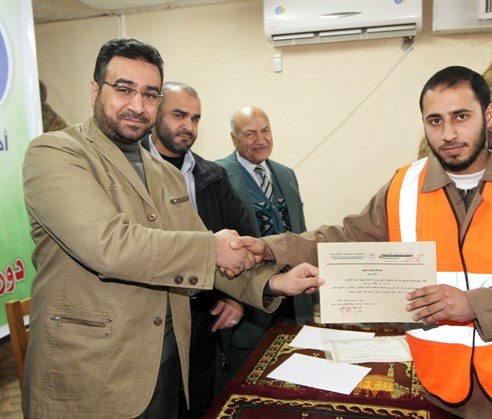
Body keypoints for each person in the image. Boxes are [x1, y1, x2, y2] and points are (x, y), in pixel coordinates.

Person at [237, 66, 492, 418]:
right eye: (435, 120)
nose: (448, 133)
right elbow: (347, 238)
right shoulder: (404, 186)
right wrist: (273, 247)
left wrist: (475, 304)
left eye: (461, 116)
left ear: (489, 114)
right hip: (445, 391)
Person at [21, 37, 322, 419]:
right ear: (95, 90)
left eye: (150, 94)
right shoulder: (56, 153)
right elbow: (108, 246)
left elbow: (202, 254)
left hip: (165, 364)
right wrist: (212, 247)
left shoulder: (165, 172)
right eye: (124, 89)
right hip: (91, 375)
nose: (137, 105)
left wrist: (273, 282)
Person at [141, 81, 256, 418]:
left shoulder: (213, 175)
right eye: (179, 115)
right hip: (150, 322)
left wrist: (236, 297)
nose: (189, 126)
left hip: (203, 320)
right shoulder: (130, 171)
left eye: (195, 118)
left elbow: (245, 240)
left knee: (201, 407)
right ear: (156, 113)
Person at [215, 106, 316, 382]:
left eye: (266, 131)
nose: (261, 140)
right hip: (251, 296)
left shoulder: (286, 174)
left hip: (293, 295)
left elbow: (300, 230)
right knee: (251, 377)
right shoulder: (217, 175)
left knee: (295, 371)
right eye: (250, 134)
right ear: (233, 138)